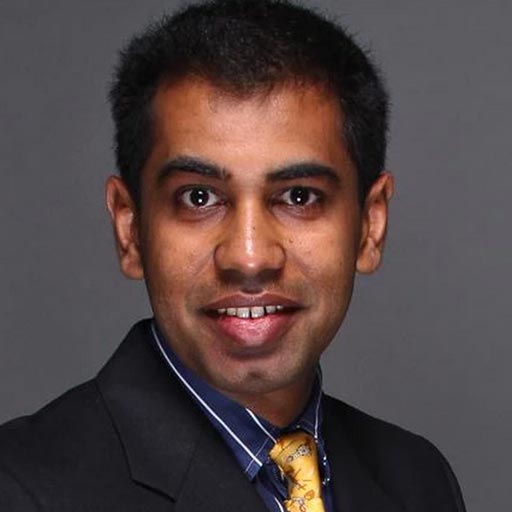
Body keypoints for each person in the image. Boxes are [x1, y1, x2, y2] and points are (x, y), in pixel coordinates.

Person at [0, 1, 466, 511]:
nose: (248, 257)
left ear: (369, 226)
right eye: (198, 197)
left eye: (299, 196)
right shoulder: (21, 489)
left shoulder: (417, 480)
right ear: (130, 228)